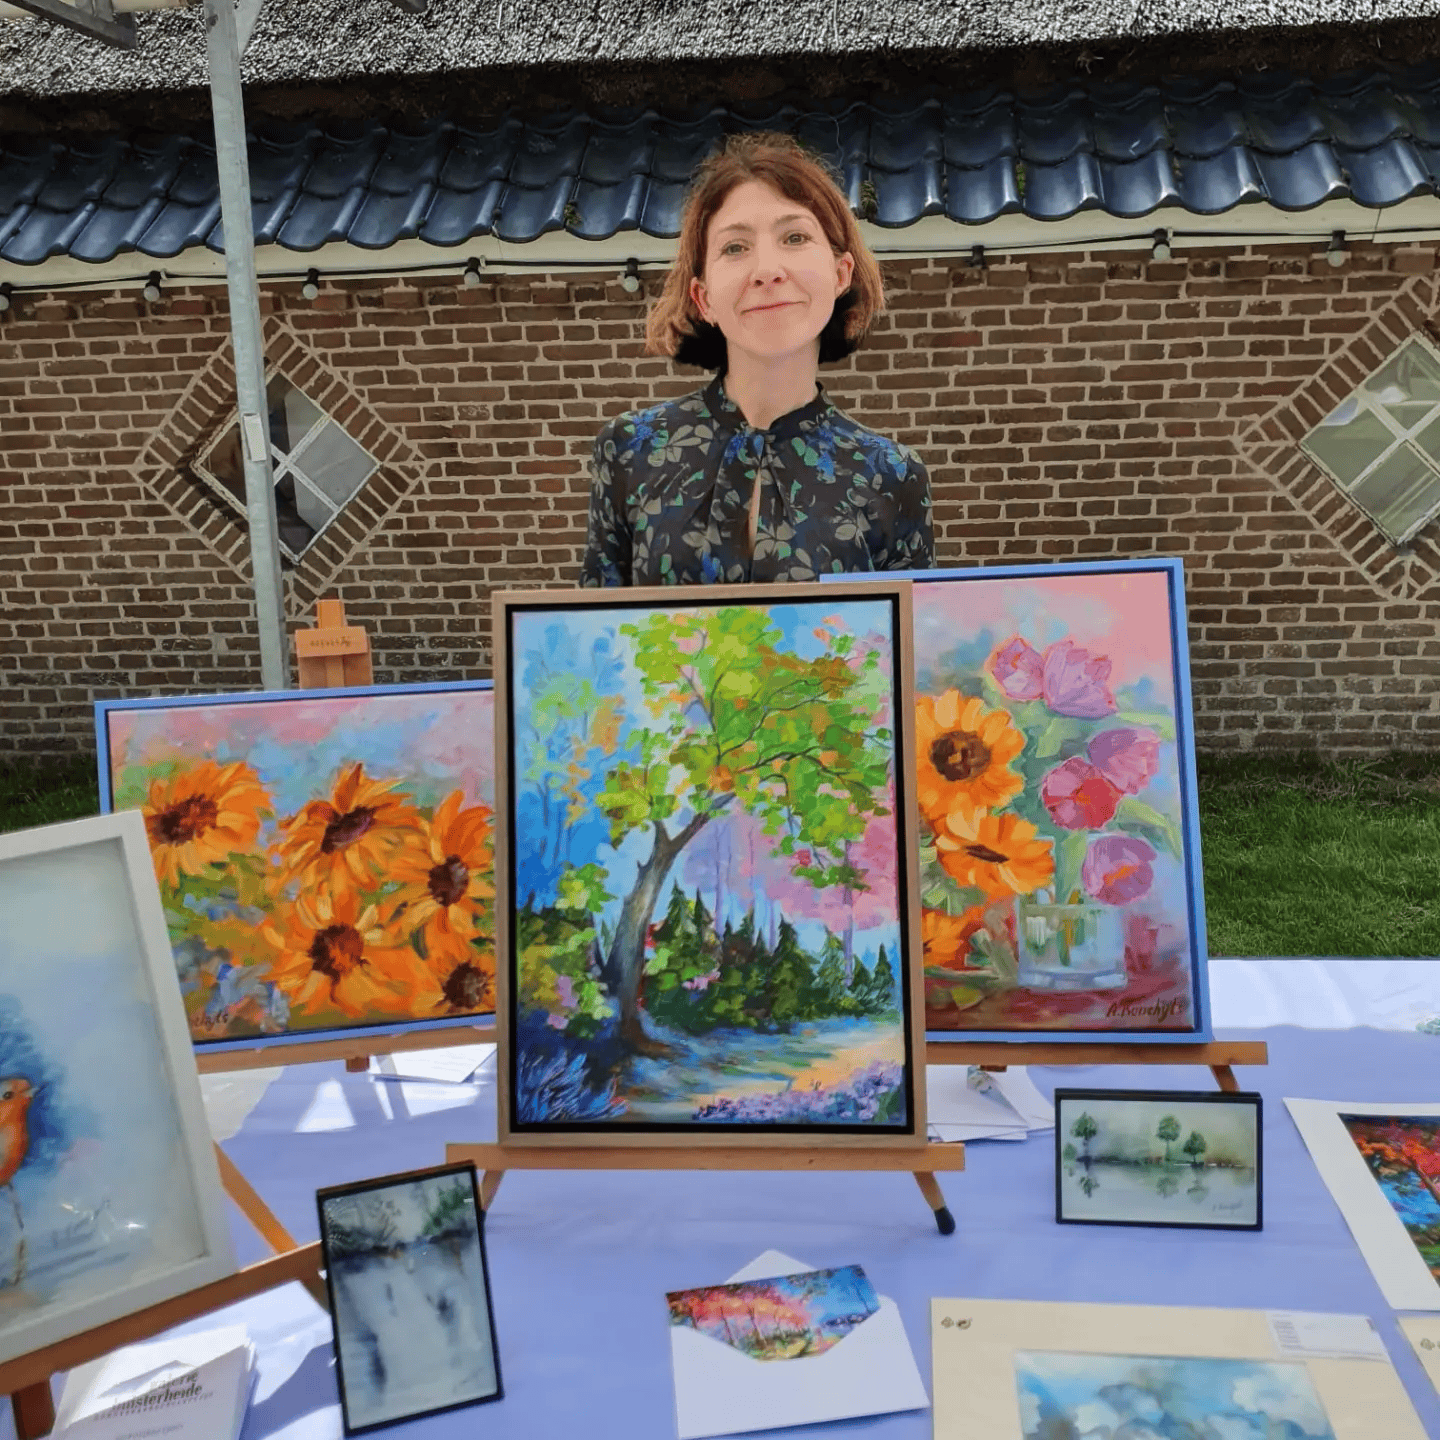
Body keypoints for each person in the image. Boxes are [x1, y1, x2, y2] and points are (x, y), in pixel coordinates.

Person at [581, 131, 934, 586]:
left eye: (794, 236)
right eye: (735, 247)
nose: (767, 270)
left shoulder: (894, 475)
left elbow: (908, 649)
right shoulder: (629, 451)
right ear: (703, 297)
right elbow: (594, 638)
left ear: (840, 273)